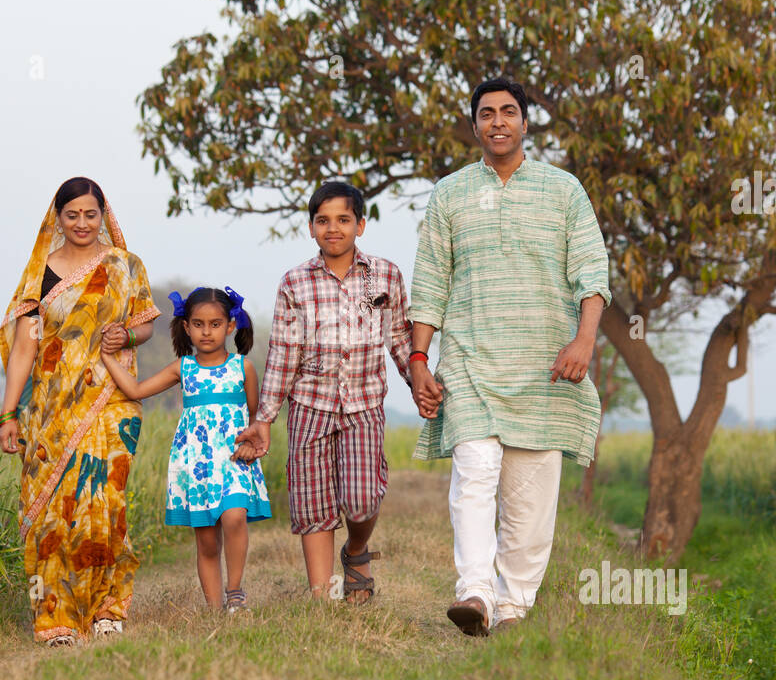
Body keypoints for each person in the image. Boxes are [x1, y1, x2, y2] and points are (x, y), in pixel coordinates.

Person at [409, 78, 612, 637]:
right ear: (474, 126)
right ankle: (474, 592)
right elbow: (430, 283)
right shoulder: (449, 194)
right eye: (486, 113)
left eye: (508, 112)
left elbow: (593, 274)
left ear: (525, 122)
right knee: (474, 473)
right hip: (471, 361)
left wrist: (584, 341)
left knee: (530, 493)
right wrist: (419, 360)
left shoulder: (564, 190)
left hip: (545, 366)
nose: (498, 121)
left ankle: (514, 604)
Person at [236, 181, 432, 603]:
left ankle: (357, 550)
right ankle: (322, 595)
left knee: (362, 500)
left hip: (363, 403)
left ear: (360, 225)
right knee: (313, 504)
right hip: (310, 405)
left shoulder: (385, 274)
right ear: (311, 228)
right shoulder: (295, 283)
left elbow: (399, 337)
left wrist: (417, 380)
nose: (333, 229)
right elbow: (284, 354)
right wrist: (264, 419)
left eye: (343, 220)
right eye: (323, 221)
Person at [0, 176, 160, 647]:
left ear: (103, 215)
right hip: (51, 408)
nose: (82, 223)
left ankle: (108, 611)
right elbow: (26, 348)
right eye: (72, 215)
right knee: (52, 515)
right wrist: (8, 414)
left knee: (103, 507)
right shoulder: (42, 272)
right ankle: (57, 619)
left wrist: (125, 336)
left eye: (91, 214)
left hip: (112, 404)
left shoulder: (125, 266)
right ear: (58, 218)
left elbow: (145, 325)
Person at [103, 286, 271, 613]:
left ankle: (235, 591)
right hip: (196, 463)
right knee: (207, 541)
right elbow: (136, 389)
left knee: (235, 516)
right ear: (186, 327)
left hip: (234, 458)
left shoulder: (243, 368)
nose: (206, 332)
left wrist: (255, 445)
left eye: (215, 324)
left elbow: (257, 415)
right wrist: (107, 356)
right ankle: (214, 610)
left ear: (230, 326)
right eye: (198, 324)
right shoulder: (183, 368)